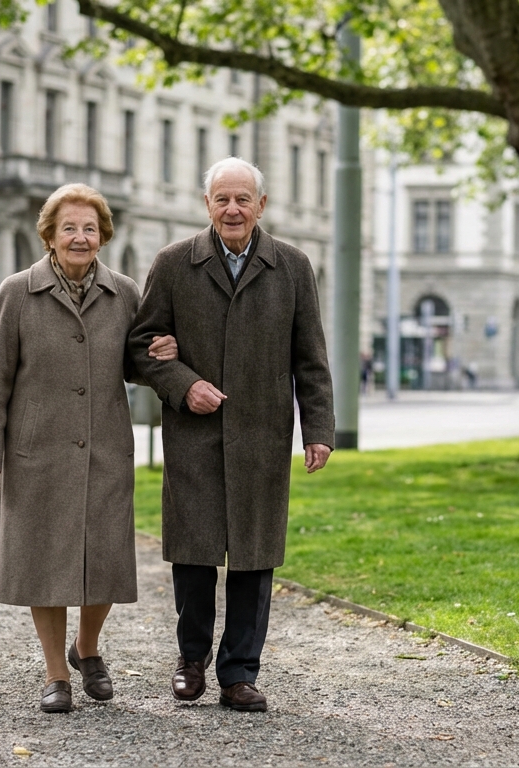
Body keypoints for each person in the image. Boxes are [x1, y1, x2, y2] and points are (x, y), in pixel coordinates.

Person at [128, 157, 334, 713]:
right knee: (193, 556)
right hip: (194, 435)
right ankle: (190, 661)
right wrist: (181, 382)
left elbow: (310, 358)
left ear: (261, 205)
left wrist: (318, 429)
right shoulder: (174, 264)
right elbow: (141, 344)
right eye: (222, 199)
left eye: (243, 199)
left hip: (263, 435)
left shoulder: (292, 267)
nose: (233, 209)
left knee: (253, 556)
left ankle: (239, 673)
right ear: (207, 205)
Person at [0, 183, 178, 714]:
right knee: (43, 561)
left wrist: (164, 351)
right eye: (69, 228)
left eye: (90, 228)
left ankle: (87, 648)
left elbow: (138, 363)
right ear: (50, 235)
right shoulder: (17, 292)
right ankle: (56, 673)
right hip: (36, 451)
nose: (80, 237)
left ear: (103, 235)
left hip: (105, 447)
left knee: (105, 559)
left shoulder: (126, 292)